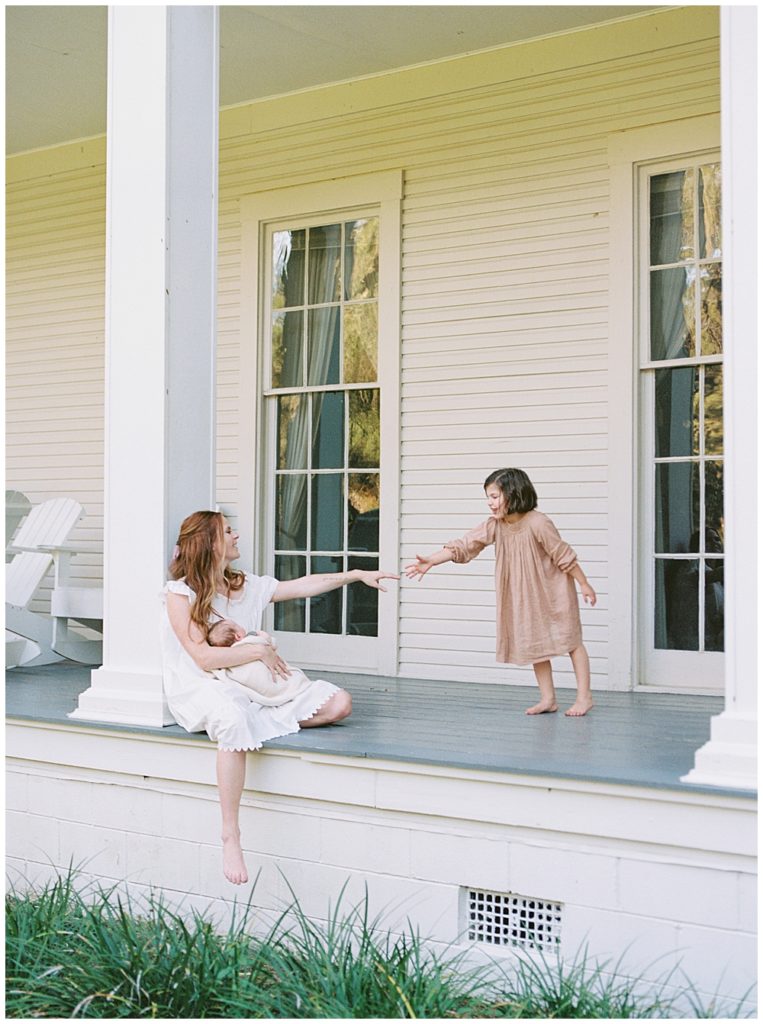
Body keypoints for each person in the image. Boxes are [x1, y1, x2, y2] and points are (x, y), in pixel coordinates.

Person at [162, 509, 398, 885]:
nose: (236, 535)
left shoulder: (246, 585)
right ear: (210, 542)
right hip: (204, 684)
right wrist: (257, 651)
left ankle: (259, 723)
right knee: (234, 718)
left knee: (339, 703)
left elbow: (305, 584)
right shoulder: (181, 594)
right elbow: (203, 658)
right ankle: (230, 833)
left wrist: (355, 575)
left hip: (254, 684)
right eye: (228, 531)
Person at [404, 468, 597, 717]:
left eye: (495, 497)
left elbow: (562, 555)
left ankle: (584, 697)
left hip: (552, 590)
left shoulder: (538, 522)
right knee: (534, 643)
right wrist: (432, 560)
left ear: (513, 493)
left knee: (571, 640)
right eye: (488, 498)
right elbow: (465, 545)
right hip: (523, 594)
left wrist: (584, 583)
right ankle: (548, 698)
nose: (490, 503)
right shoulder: (496, 526)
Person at [206, 618, 320, 704]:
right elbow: (271, 644)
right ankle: (296, 690)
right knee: (291, 678)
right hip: (267, 680)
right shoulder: (250, 641)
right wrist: (264, 635)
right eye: (237, 625)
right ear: (238, 636)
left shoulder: (229, 658)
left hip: (257, 686)